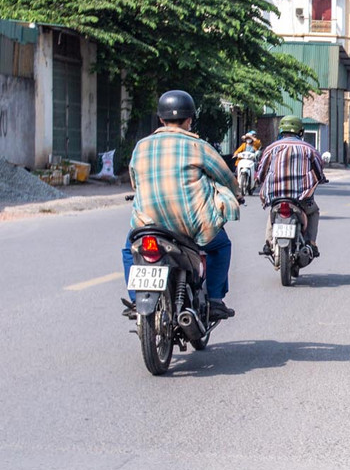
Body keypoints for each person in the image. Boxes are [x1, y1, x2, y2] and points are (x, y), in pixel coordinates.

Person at [123, 89, 239, 321]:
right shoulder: (199, 147)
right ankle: (215, 299)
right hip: (191, 225)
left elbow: (135, 182)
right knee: (220, 245)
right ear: (189, 120)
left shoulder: (141, 147)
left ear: (161, 119)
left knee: (129, 248)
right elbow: (227, 180)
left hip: (149, 224)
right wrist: (235, 193)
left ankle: (137, 300)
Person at [254, 115, 327, 257]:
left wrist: (261, 180)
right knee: (314, 212)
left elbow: (261, 173)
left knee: (274, 211)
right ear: (301, 132)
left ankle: (268, 242)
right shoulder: (309, 149)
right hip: (301, 197)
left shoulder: (271, 148)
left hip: (276, 195)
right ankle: (311, 242)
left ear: (281, 131)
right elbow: (319, 171)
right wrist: (321, 179)